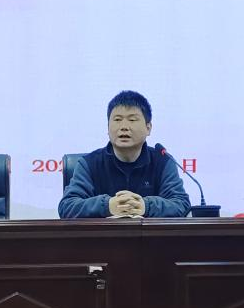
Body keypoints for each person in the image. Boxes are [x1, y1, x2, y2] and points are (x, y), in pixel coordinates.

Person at [58, 90, 191, 219]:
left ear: (148, 128)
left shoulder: (163, 161)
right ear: (108, 127)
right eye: (117, 120)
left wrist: (146, 206)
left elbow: (181, 204)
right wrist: (107, 206)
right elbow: (67, 207)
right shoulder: (89, 164)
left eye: (132, 120)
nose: (124, 127)